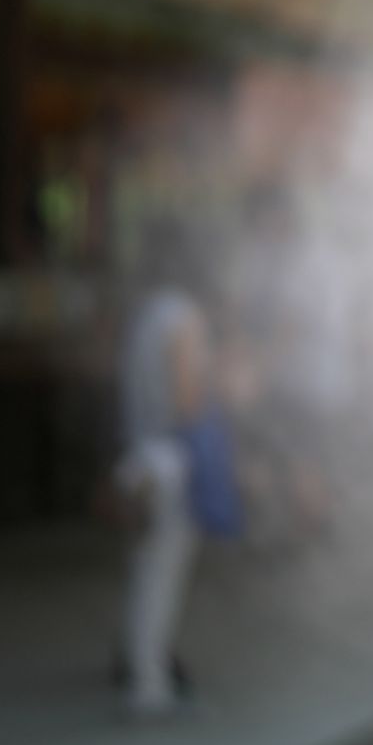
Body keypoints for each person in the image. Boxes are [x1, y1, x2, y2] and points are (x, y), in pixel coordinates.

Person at [112, 242, 213, 717]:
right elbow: (188, 399)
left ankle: (139, 666)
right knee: (163, 576)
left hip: (139, 458)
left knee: (145, 569)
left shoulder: (144, 315)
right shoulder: (183, 315)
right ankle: (150, 684)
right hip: (172, 459)